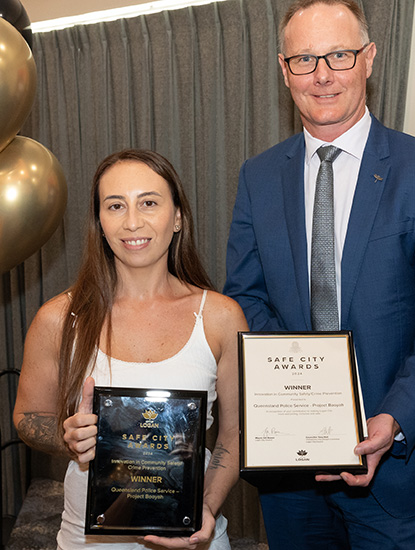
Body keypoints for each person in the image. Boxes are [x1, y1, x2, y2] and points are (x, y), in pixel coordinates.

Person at [223, 1, 415, 548]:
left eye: (338, 54)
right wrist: (296, 400)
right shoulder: (258, 177)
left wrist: (394, 418)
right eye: (304, 59)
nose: (322, 75)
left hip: (394, 476)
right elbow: (245, 298)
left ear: (369, 59)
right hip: (288, 471)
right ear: (283, 70)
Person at [13, 149, 248, 550]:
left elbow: (235, 433)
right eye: (115, 205)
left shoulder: (221, 317)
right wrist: (66, 435)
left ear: (177, 218)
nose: (132, 222)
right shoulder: (58, 318)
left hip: (194, 535)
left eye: (149, 203)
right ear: (99, 222)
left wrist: (204, 508)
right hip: (88, 539)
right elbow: (26, 417)